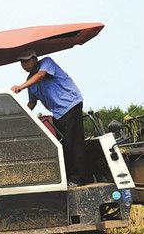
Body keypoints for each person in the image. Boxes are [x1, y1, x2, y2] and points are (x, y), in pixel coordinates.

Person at [11, 50, 88, 186]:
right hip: (58, 112)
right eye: (22, 62)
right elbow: (32, 102)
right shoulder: (30, 80)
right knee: (62, 145)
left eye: (28, 60)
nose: (25, 64)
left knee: (73, 143)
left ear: (35, 59)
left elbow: (41, 75)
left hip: (70, 104)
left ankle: (79, 179)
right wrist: (21, 116)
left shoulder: (46, 62)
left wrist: (21, 87)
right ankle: (69, 178)